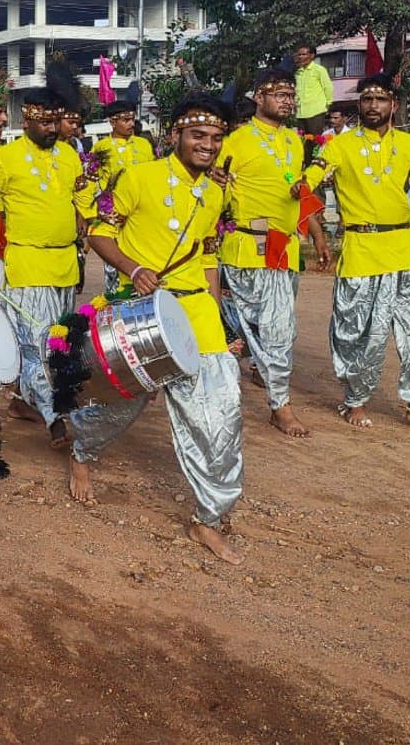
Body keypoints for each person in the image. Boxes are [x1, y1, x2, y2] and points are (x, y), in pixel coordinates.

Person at [78, 93, 245, 564]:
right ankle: (82, 451)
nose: (208, 145)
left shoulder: (216, 192)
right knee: (122, 403)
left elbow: (209, 254)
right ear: (175, 135)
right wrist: (133, 269)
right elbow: (99, 233)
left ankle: (207, 516)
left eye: (215, 138)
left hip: (196, 311)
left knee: (222, 411)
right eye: (198, 135)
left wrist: (215, 312)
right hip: (144, 307)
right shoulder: (139, 177)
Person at [301, 75, 410, 436]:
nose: (372, 105)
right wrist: (301, 182)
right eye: (366, 99)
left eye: (380, 99)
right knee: (359, 333)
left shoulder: (409, 143)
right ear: (359, 105)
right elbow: (314, 174)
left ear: (393, 105)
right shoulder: (340, 145)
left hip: (406, 244)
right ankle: (355, 400)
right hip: (362, 247)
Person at [218, 69, 332, 439]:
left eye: (290, 94)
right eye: (279, 93)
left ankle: (279, 405)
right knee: (235, 329)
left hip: (283, 247)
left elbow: (295, 190)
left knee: (281, 330)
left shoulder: (295, 142)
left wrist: (317, 235)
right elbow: (212, 192)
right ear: (258, 97)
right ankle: (222, 393)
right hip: (243, 246)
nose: (287, 99)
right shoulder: (234, 140)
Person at [0, 70, 94, 445]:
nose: (53, 128)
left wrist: (92, 220)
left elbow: (82, 199)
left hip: (66, 265)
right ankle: (56, 417)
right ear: (26, 120)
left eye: (57, 121)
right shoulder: (5, 159)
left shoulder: (70, 156)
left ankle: (25, 399)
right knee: (36, 345)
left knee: (60, 342)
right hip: (26, 264)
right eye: (45, 121)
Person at [92, 100, 155, 291]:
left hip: (143, 210)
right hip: (114, 213)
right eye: (125, 120)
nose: (130, 124)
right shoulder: (101, 147)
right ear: (112, 122)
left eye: (132, 119)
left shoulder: (144, 144)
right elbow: (92, 180)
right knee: (114, 264)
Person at [291, 44, 333, 148]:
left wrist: (328, 104)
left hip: (316, 112)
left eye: (304, 54)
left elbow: (328, 87)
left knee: (316, 141)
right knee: (303, 141)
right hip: (301, 113)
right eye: (299, 55)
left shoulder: (319, 70)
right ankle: (305, 163)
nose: (301, 57)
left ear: (312, 55)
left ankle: (315, 162)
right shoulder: (297, 72)